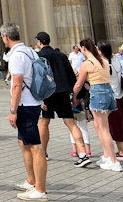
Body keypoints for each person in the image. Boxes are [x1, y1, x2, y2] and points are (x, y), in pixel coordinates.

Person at [0, 22, 47, 201]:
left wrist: (13, 110)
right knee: (23, 142)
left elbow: (17, 84)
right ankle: (31, 180)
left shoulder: (17, 55)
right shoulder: (30, 51)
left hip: (25, 105)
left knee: (35, 146)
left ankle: (40, 190)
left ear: (5, 37)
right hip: (33, 102)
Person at [34, 31, 90, 167]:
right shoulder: (62, 56)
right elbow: (71, 76)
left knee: (44, 123)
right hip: (63, 93)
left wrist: (37, 98)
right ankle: (83, 153)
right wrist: (75, 96)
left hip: (47, 94)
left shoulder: (39, 56)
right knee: (70, 123)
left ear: (40, 42)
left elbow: (37, 78)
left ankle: (43, 152)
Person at [73, 39, 120, 172]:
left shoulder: (87, 63)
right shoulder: (103, 61)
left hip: (97, 92)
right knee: (98, 126)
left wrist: (74, 95)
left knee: (103, 128)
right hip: (108, 91)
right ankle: (107, 156)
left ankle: (114, 161)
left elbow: (78, 84)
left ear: (83, 48)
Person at [98, 41, 123, 160]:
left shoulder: (104, 63)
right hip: (120, 95)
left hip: (111, 97)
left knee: (115, 125)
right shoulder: (116, 59)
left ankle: (121, 152)